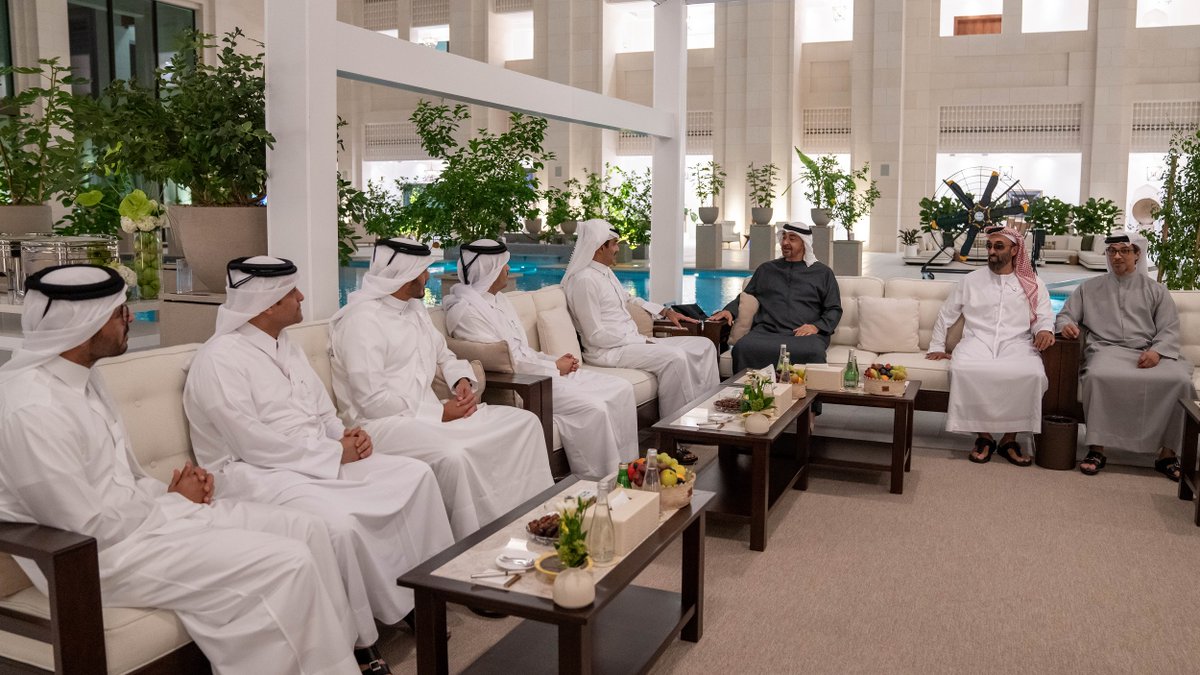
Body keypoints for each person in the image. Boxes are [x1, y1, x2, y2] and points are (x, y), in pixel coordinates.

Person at [0, 265, 364, 675]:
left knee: (307, 529)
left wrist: (173, 494)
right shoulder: (33, 410)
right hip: (102, 559)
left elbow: (123, 481)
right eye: (119, 313)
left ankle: (349, 658)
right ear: (83, 325)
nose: (129, 319)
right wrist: (174, 502)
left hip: (146, 522)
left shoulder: (84, 380)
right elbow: (83, 525)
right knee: (288, 561)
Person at [184, 256, 455, 669]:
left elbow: (322, 411)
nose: (301, 296)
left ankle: (416, 596)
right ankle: (360, 642)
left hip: (313, 455)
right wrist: (332, 453)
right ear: (266, 304)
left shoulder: (285, 345)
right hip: (253, 473)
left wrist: (344, 436)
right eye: (291, 292)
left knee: (415, 476)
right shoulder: (219, 359)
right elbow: (251, 443)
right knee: (339, 525)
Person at [329, 239, 554, 539]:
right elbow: (371, 401)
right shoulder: (361, 321)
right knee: (455, 455)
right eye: (423, 271)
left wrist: (461, 381)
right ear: (405, 275)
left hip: (429, 414)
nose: (428, 276)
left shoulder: (414, 310)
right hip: (382, 424)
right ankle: (476, 540)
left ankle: (535, 520)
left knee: (524, 423)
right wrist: (439, 413)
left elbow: (445, 355)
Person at [444, 239, 640, 477]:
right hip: (528, 383)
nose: (508, 269)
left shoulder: (499, 300)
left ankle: (629, 470)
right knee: (595, 408)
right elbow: (507, 363)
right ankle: (602, 480)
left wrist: (553, 361)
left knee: (621, 388)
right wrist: (554, 367)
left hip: (541, 370)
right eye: (503, 265)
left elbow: (522, 351)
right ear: (490, 270)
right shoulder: (465, 312)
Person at [562, 219, 719, 463]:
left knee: (704, 345)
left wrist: (664, 311)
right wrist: (637, 340)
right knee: (674, 358)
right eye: (614, 244)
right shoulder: (583, 281)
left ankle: (703, 420)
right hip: (609, 351)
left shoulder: (605, 273)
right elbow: (594, 335)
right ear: (600, 247)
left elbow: (629, 300)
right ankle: (673, 439)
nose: (618, 249)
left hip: (632, 342)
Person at [1055, 233, 1197, 479]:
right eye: (1112, 251)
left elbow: (1169, 328)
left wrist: (1157, 352)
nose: (1117, 256)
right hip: (1105, 350)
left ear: (1137, 255)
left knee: (1180, 381)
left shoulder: (1156, 290)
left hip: (1148, 352)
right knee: (1097, 376)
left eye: (1124, 251)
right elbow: (1066, 315)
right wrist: (1066, 325)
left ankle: (1167, 455)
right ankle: (1096, 449)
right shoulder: (1089, 288)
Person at [926, 226, 1055, 466]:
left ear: (1014, 250)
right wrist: (936, 346)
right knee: (962, 369)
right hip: (977, 340)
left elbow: (1043, 315)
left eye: (998, 246)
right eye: (989, 246)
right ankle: (984, 437)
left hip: (1016, 342)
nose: (992, 251)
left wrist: (1045, 330)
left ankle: (1009, 439)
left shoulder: (1032, 283)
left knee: (1033, 374)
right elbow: (946, 314)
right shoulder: (970, 280)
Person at [709, 223, 842, 373]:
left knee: (813, 352)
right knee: (742, 348)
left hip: (804, 335)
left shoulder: (823, 273)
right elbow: (747, 296)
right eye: (784, 237)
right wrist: (729, 311)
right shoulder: (766, 270)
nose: (785, 242)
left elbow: (834, 309)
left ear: (804, 243)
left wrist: (815, 327)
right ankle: (748, 388)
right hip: (767, 332)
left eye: (792, 239)